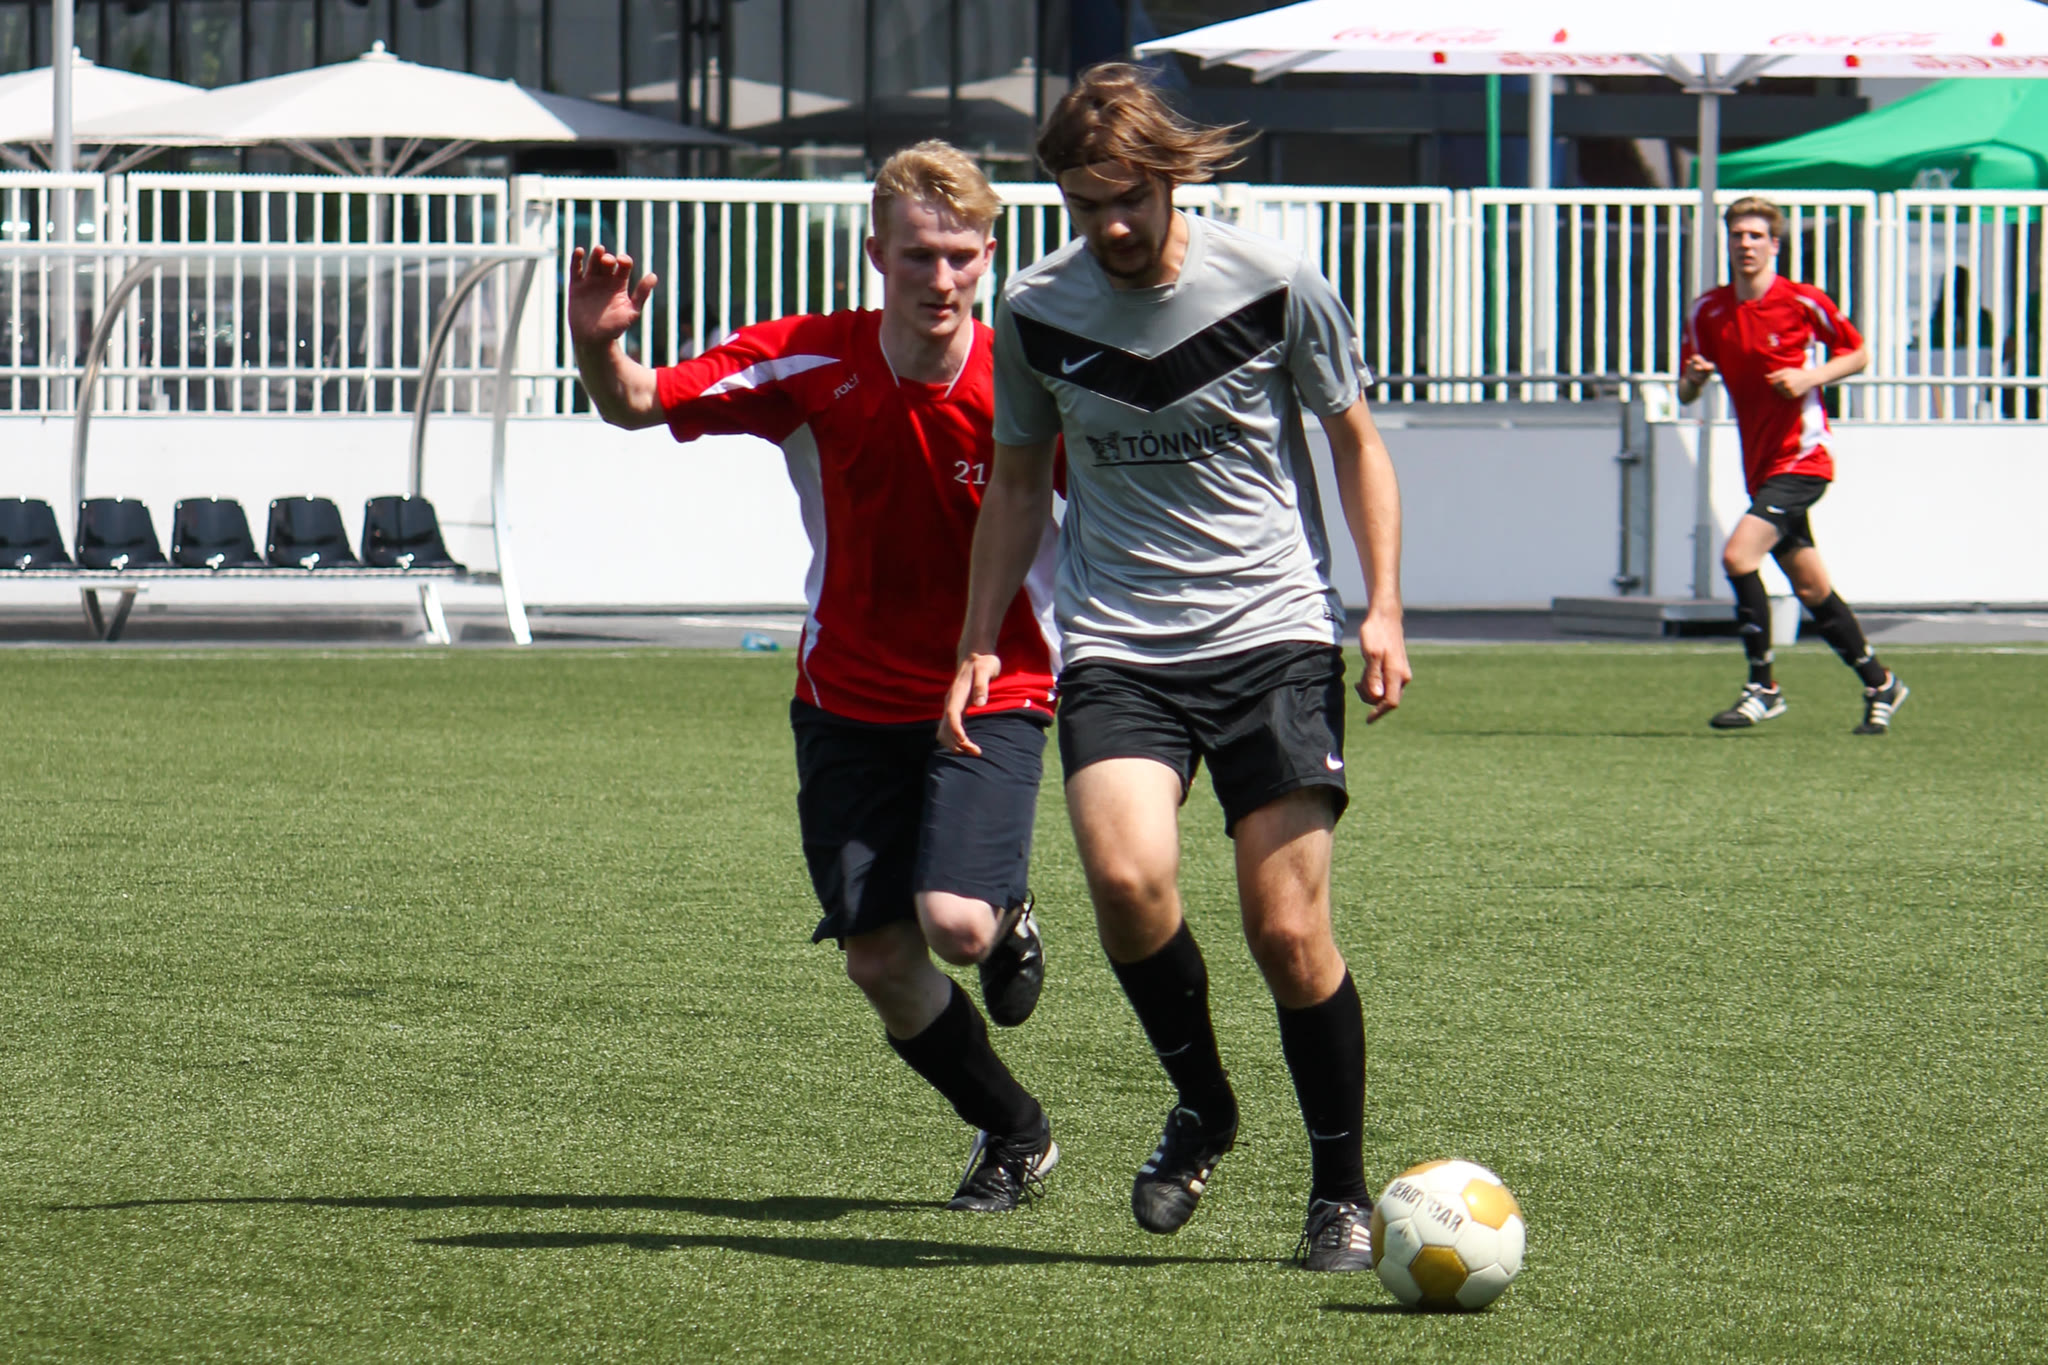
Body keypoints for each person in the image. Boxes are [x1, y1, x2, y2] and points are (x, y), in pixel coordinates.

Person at [940, 64, 1410, 1272]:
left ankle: (1338, 1193)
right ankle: (1204, 1105)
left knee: (1286, 931)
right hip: (1119, 643)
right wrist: (980, 634)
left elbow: (1355, 443)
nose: (1106, 226)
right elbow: (1014, 483)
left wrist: (1382, 609)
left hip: (1271, 633)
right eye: (1081, 203)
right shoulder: (1036, 310)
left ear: (1167, 180)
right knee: (1124, 879)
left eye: (1126, 200)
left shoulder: (1274, 282)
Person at [568, 141, 1065, 1211]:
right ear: (876, 254)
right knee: (878, 964)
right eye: (918, 255)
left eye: (962, 257)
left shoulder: (1027, 389)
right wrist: (600, 345)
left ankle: (1004, 906)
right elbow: (636, 401)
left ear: (989, 257)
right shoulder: (806, 361)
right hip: (846, 699)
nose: (941, 278)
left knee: (957, 926)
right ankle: (1014, 1130)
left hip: (997, 683)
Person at [1680, 196, 1907, 735]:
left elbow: (1857, 353)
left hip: (1803, 458)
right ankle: (1881, 683)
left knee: (1738, 557)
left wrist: (1810, 377)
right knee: (1811, 589)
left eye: (1756, 236)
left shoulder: (1801, 301)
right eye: (1738, 235)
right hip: (1760, 467)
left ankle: (1764, 687)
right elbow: (1686, 392)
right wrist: (1695, 378)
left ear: (1774, 245)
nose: (1746, 244)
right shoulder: (1708, 310)